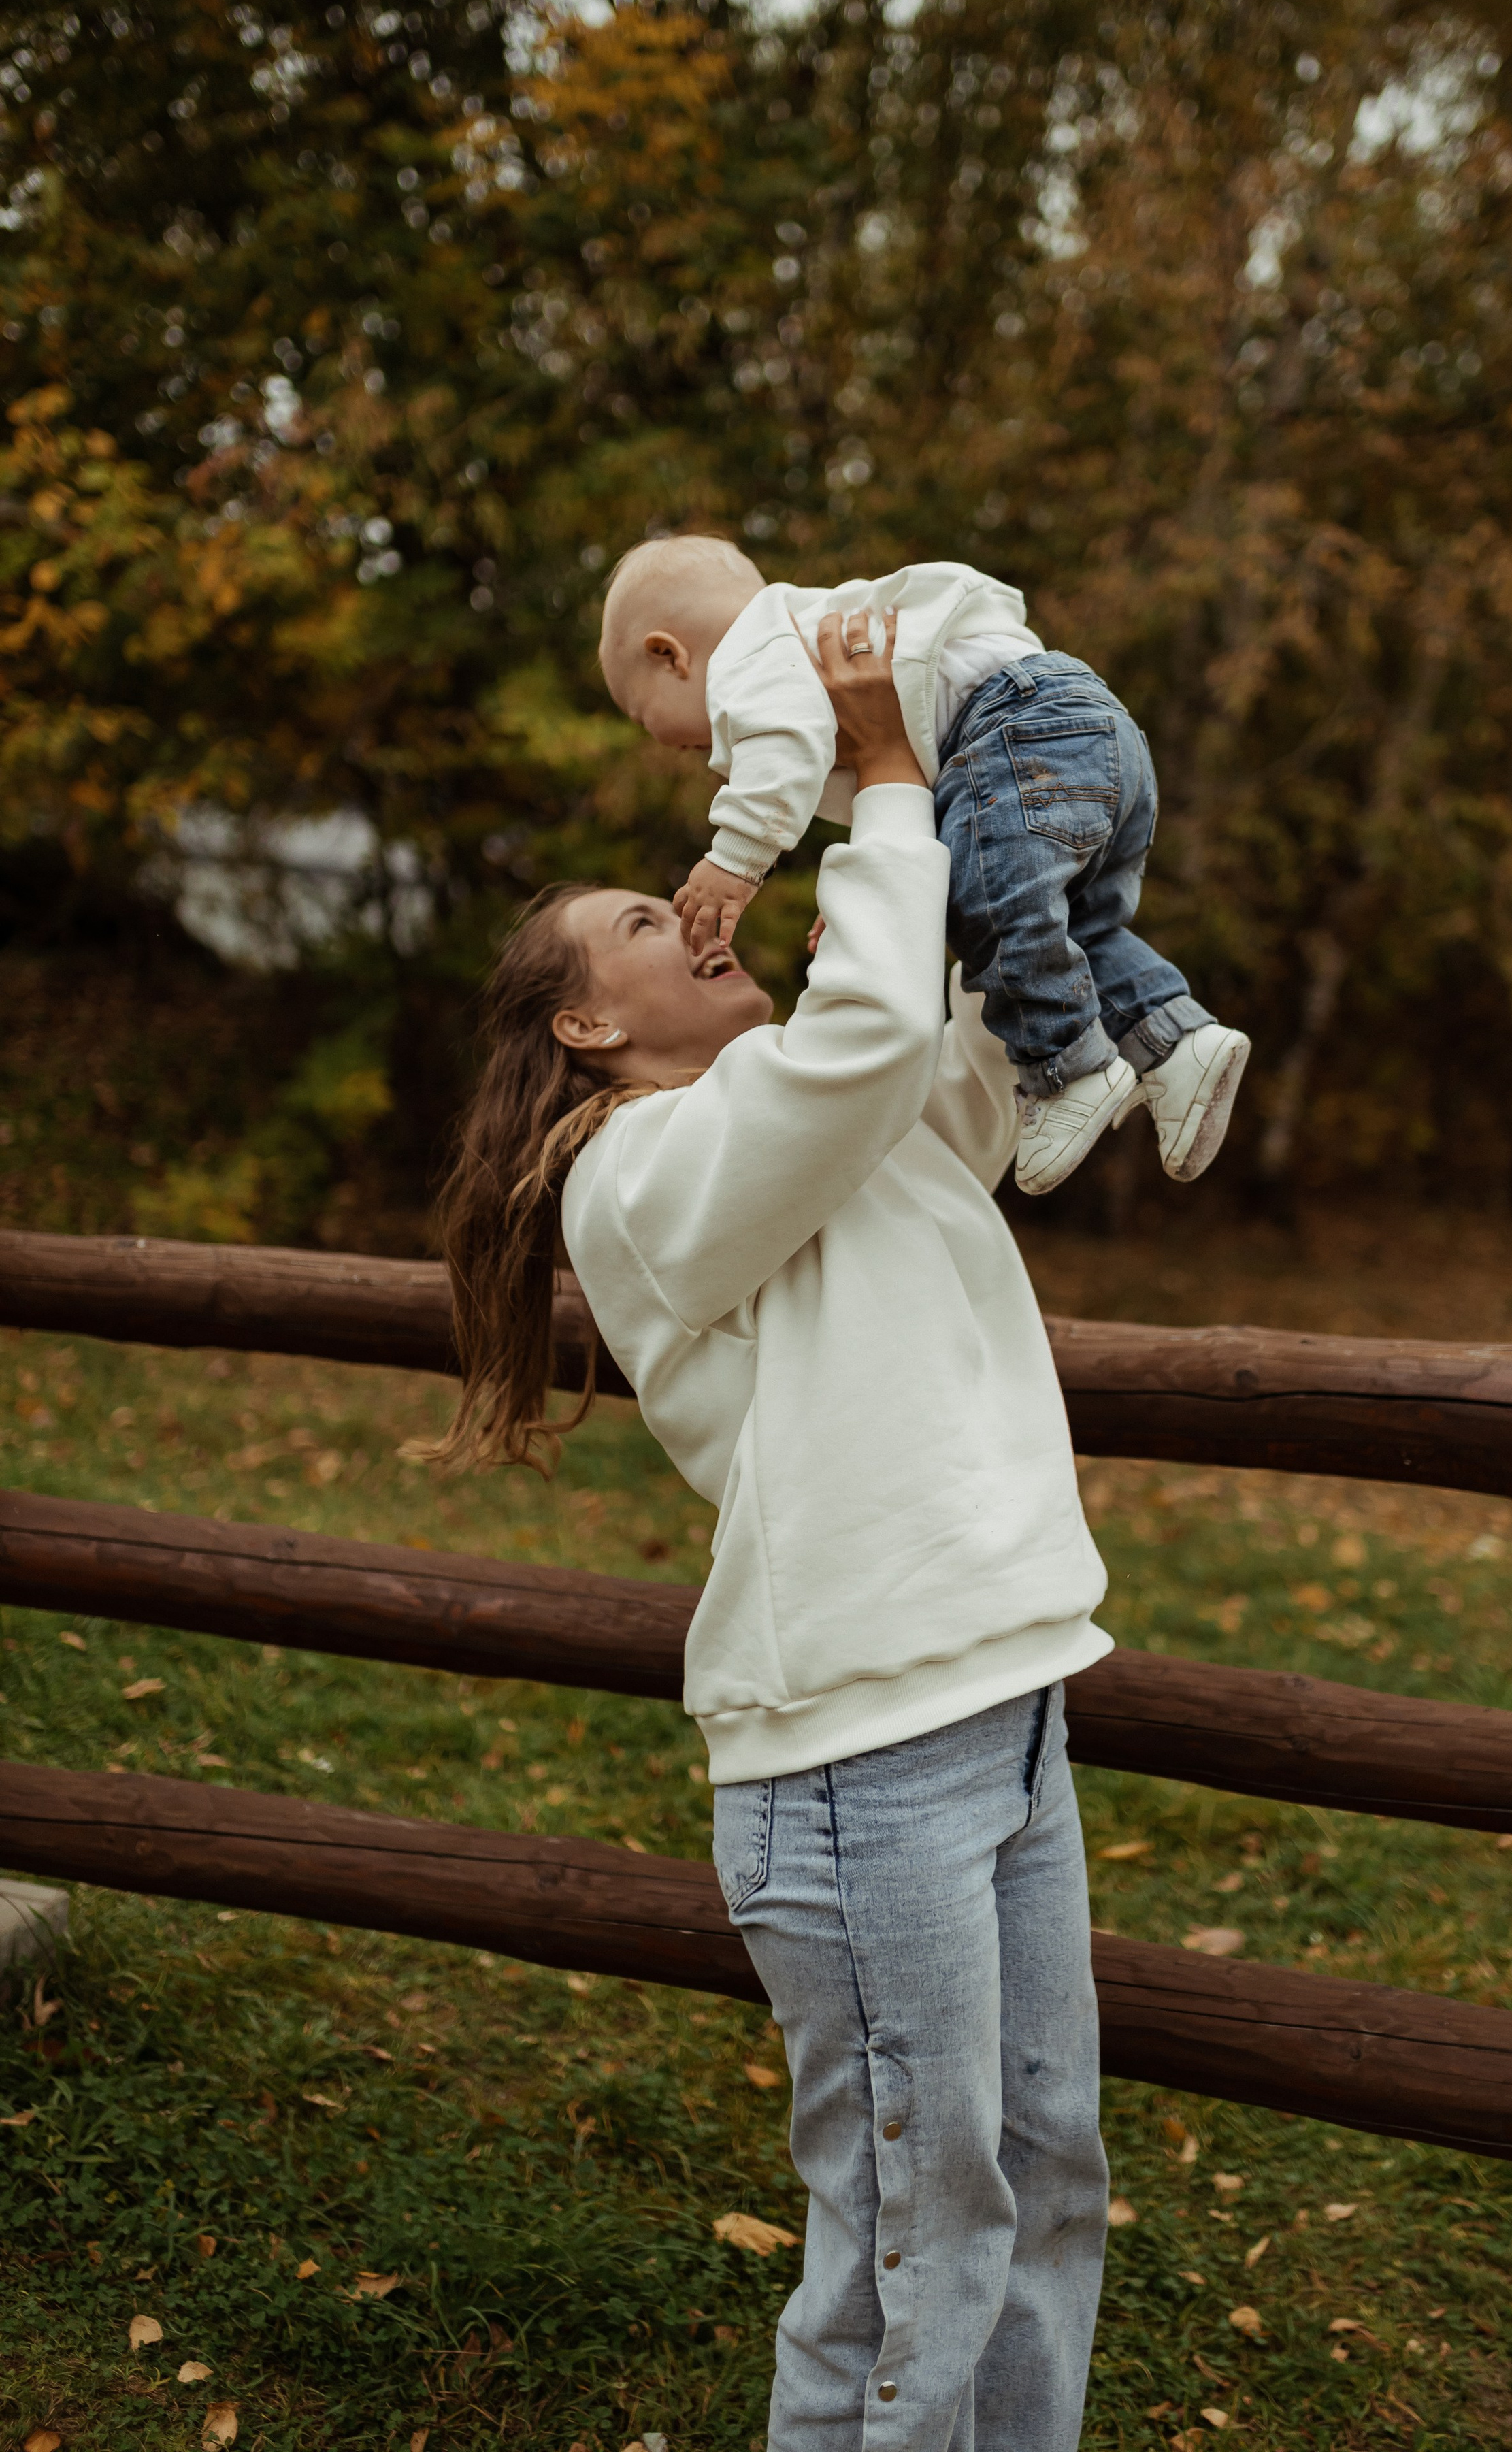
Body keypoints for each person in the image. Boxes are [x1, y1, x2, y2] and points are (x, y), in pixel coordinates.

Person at [425, 610, 1114, 2450]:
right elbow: (874, 1025)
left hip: (1007, 1691)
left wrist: (1006, 799)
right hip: (856, 1757)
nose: (689, 908)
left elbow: (959, 1060)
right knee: (914, 2242)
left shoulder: (807, 1109)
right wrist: (875, 780)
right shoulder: (640, 1177)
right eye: (645, 922)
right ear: (587, 1024)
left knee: (1045, 2189)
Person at [596, 532, 1249, 1198]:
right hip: (1088, 735)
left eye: (660, 727)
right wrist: (860, 902)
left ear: (668, 654)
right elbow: (908, 805)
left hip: (1010, 730)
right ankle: (1174, 1041)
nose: (691, 750)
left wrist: (733, 860)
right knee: (1075, 926)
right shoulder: (798, 640)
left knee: (991, 912)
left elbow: (782, 750)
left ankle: (1066, 1072)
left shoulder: (750, 654)